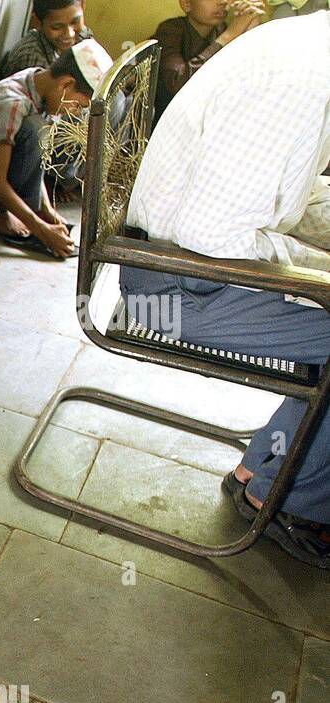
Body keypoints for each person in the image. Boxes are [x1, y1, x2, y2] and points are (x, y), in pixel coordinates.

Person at [124, 11, 330, 567]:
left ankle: (262, 469)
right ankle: (291, 502)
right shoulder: (299, 80)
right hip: (172, 292)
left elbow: (291, 198)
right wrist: (315, 269)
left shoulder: (311, 43)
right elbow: (212, 237)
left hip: (184, 269)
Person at [0, 39, 113, 258]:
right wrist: (41, 230)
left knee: (39, 130)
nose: (76, 112)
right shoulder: (13, 104)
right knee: (35, 130)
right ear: (66, 84)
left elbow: (37, 163)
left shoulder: (39, 82)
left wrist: (47, 212)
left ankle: (25, 211)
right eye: (79, 105)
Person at [151, 0, 264, 118]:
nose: (222, 2)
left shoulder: (221, 29)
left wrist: (250, 28)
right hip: (172, 119)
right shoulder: (170, 30)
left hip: (211, 117)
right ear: (186, 4)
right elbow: (177, 82)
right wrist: (229, 35)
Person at [0, 0, 92, 78]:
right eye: (56, 27)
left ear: (83, 5)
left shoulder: (81, 33)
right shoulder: (32, 58)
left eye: (75, 21)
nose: (69, 34)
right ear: (37, 22)